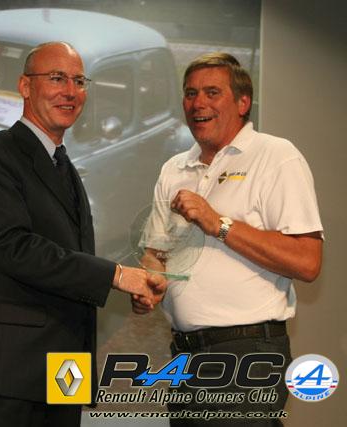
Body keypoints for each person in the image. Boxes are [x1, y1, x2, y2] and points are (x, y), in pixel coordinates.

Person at [0, 41, 164, 427]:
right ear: (25, 86)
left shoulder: (65, 166)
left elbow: (67, 264)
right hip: (12, 372)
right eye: (56, 78)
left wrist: (130, 282)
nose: (70, 91)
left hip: (65, 373)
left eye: (79, 81)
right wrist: (117, 276)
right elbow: (14, 247)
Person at [133, 52, 323, 426]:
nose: (198, 103)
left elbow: (307, 261)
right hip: (185, 355)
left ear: (242, 102)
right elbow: (156, 252)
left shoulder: (276, 156)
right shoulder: (173, 168)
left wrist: (217, 223)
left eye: (212, 92)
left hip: (247, 353)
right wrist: (150, 282)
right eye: (190, 93)